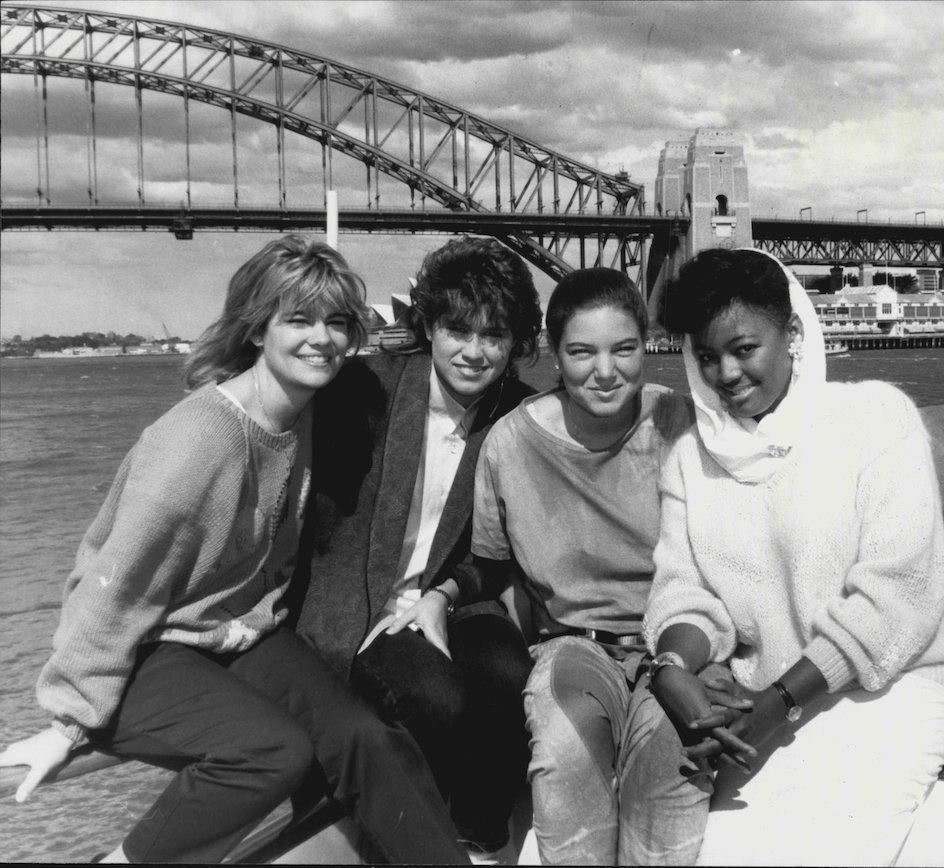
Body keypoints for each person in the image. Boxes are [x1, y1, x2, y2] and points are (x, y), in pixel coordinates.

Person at [0, 235, 469, 865]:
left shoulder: (302, 408)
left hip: (231, 632)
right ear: (256, 330)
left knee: (367, 740)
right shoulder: (197, 441)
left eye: (336, 322)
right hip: (151, 644)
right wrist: (68, 723)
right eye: (297, 320)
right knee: (271, 752)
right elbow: (115, 585)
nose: (321, 338)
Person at [644, 247, 944, 866]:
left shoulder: (876, 418)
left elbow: (896, 598)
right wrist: (671, 668)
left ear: (791, 332)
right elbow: (684, 590)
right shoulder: (689, 455)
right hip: (761, 701)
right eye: (707, 357)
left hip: (892, 688)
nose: (726, 374)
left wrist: (780, 703)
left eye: (745, 349)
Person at [290, 236, 543, 861]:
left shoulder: (522, 417)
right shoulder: (361, 392)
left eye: (495, 335)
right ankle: (402, 844)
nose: (475, 352)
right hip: (361, 606)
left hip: (455, 598)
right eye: (459, 329)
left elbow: (502, 552)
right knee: (434, 697)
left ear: (516, 343)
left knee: (510, 677)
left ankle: (481, 842)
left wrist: (439, 596)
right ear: (429, 324)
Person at [469, 267, 705, 866]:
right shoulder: (509, 444)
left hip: (678, 646)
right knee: (563, 745)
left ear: (645, 344)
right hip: (575, 646)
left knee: (674, 764)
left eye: (623, 349)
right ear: (554, 352)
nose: (605, 371)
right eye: (582, 352)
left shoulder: (683, 423)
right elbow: (493, 570)